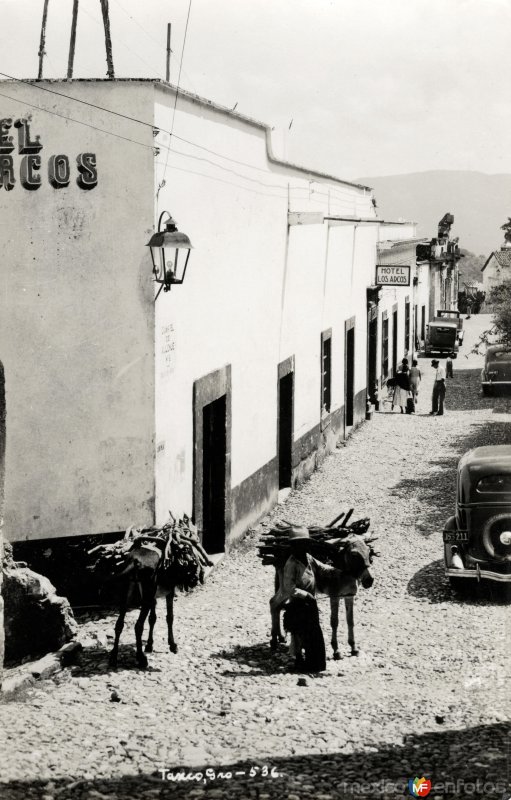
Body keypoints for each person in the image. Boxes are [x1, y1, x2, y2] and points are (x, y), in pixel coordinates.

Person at [280, 526, 328, 672]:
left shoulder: (308, 558)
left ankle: (316, 664)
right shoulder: (291, 564)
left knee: (314, 635)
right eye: (299, 544)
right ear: (294, 546)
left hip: (310, 604)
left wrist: (339, 572)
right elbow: (289, 588)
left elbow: (322, 567)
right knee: (300, 635)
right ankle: (300, 662)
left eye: (304, 543)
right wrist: (306, 595)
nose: (303, 547)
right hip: (299, 605)